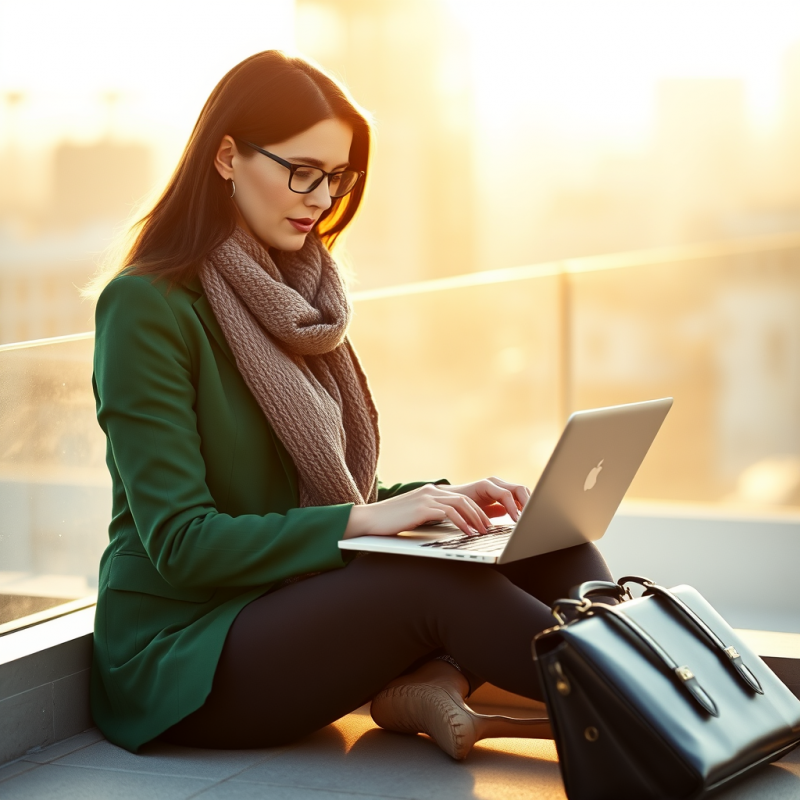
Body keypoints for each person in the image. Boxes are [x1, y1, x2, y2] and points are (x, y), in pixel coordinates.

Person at [89, 50, 614, 761]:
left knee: (549, 544)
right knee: (436, 586)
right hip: (188, 656)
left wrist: (440, 500)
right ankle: (660, 707)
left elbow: (325, 494)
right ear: (226, 157)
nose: (321, 197)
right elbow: (183, 543)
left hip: (289, 609)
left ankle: (667, 689)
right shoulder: (147, 307)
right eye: (301, 171)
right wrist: (368, 517)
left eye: (336, 177)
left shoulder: (301, 302)